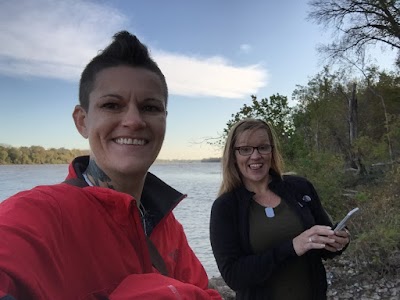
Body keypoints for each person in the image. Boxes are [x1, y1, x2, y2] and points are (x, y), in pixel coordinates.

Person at [0, 31, 221, 300]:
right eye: (112, 105)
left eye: (150, 107)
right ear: (82, 121)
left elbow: (206, 293)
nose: (134, 120)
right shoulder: (37, 213)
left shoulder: (166, 225)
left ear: (164, 119)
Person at [209, 118, 350, 300]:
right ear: (233, 156)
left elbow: (322, 247)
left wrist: (339, 240)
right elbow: (234, 276)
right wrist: (292, 247)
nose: (255, 156)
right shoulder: (226, 207)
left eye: (263, 147)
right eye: (245, 149)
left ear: (272, 151)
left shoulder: (300, 187)